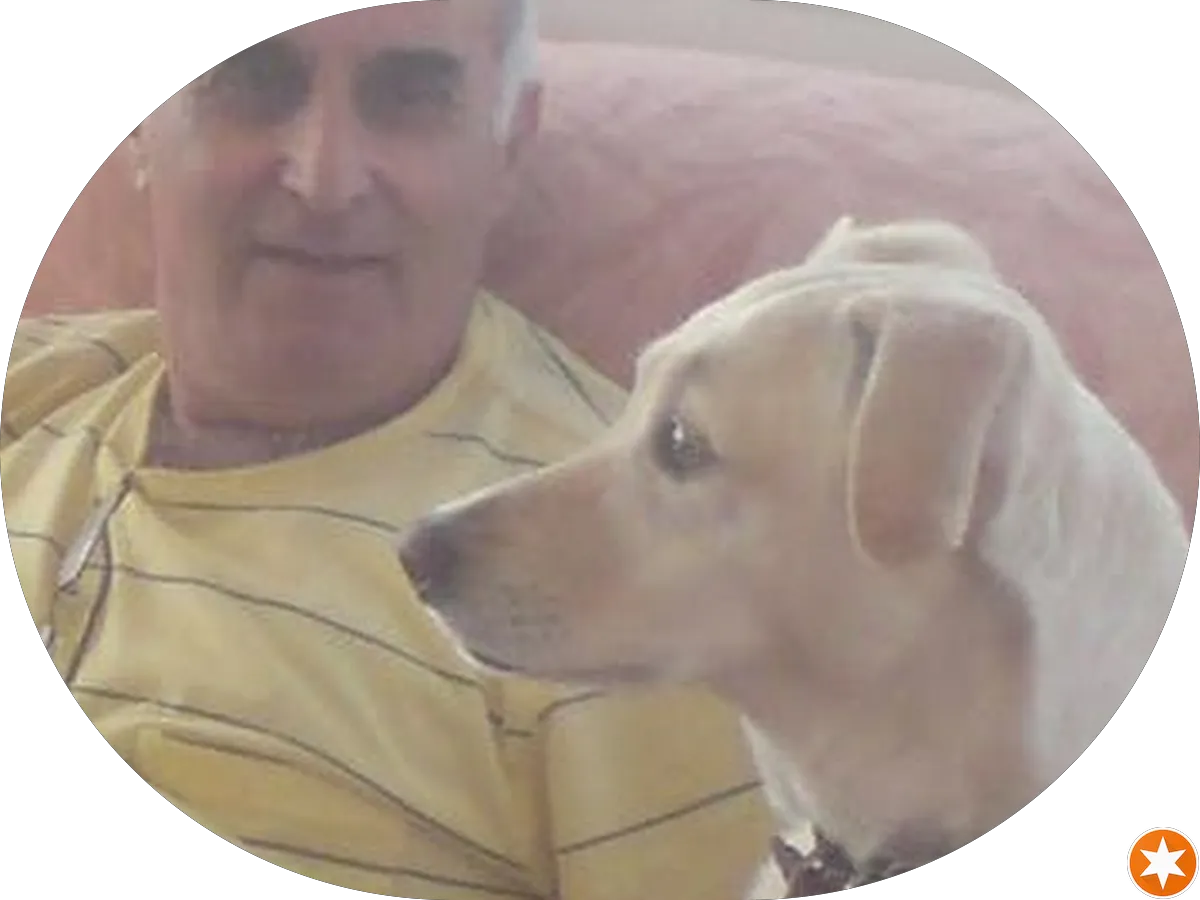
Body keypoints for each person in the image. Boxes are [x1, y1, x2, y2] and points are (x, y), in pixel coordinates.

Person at [2, 4, 773, 899]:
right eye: (256, 82)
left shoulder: (632, 564)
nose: (326, 181)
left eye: (409, 97)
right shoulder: (43, 382)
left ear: (508, 148)